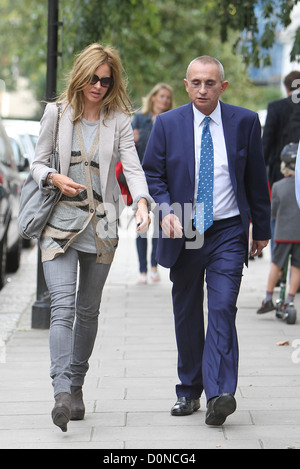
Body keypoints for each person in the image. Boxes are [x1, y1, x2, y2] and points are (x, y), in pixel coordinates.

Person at [31, 43, 153, 432]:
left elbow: (132, 168)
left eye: (106, 80)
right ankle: (62, 392)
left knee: (87, 311)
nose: (98, 86)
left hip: (101, 225)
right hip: (59, 222)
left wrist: (144, 203)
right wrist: (52, 177)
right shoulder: (57, 113)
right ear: (80, 75)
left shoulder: (118, 120)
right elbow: (36, 162)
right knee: (62, 307)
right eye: (93, 78)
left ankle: (78, 384)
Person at [143, 56, 271, 425]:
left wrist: (260, 229)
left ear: (222, 87)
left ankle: (220, 394)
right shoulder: (167, 124)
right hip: (184, 228)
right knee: (186, 312)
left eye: (210, 83)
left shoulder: (245, 121)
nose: (202, 89)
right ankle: (189, 391)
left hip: (229, 229)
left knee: (222, 308)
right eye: (196, 82)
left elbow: (255, 178)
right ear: (186, 85)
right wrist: (165, 210)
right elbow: (154, 175)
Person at [132, 83, 174, 283]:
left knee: (159, 224)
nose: (164, 100)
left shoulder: (171, 121)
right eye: (161, 96)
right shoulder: (140, 119)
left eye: (167, 97)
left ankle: (154, 266)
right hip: (141, 178)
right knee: (141, 224)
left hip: (163, 180)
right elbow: (130, 148)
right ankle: (142, 270)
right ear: (154, 97)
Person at [257, 143, 300, 314]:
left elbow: (273, 212)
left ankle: (268, 297)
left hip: (282, 234)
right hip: (299, 235)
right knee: (297, 267)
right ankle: (290, 299)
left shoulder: (278, 186)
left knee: (276, 264)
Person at [263, 71, 300, 258]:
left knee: (276, 216)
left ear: (286, 88)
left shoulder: (276, 107)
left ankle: (277, 266)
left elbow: (266, 142)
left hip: (279, 172)